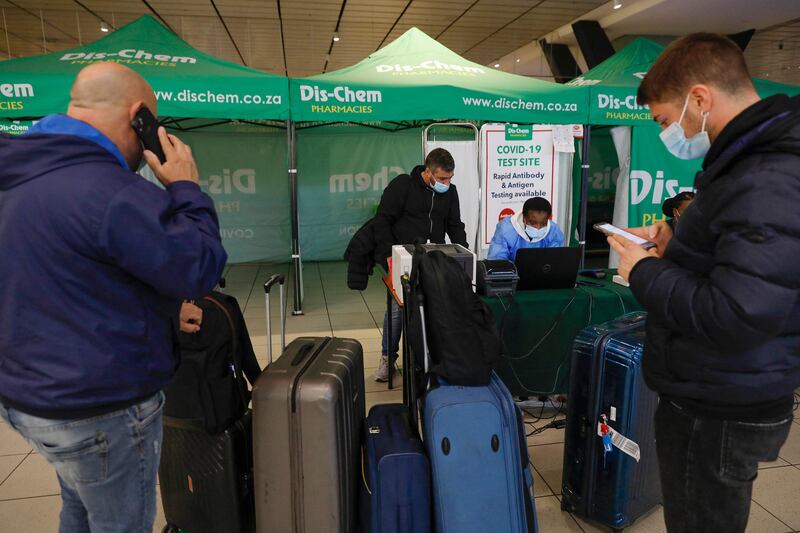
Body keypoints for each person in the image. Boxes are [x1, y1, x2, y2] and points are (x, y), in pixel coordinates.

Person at [0, 62, 227, 533]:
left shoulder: (20, 170)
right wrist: (185, 185)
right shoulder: (111, 193)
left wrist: (164, 310)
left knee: (79, 506)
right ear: (140, 117)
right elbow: (200, 265)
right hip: (100, 409)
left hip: (30, 395)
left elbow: (65, 274)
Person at [607, 34, 800, 533]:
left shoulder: (765, 173)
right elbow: (741, 265)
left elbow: (739, 312)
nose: (669, 134)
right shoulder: (745, 162)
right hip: (717, 386)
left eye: (665, 121)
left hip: (721, 404)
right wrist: (675, 244)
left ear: (699, 98)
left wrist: (644, 272)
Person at [371, 148, 467, 381]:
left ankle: (429, 359)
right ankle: (387, 358)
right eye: (442, 178)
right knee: (397, 311)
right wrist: (388, 255)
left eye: (450, 178)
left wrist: (464, 252)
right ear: (428, 171)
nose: (447, 182)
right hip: (402, 258)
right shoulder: (402, 186)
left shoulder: (450, 193)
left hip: (435, 259)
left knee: (436, 307)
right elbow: (382, 221)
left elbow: (455, 225)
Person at [487, 197, 565, 261]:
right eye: (533, 223)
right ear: (524, 218)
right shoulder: (506, 229)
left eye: (543, 224)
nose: (538, 228)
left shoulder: (554, 231)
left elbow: (554, 261)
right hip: (512, 277)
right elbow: (497, 261)